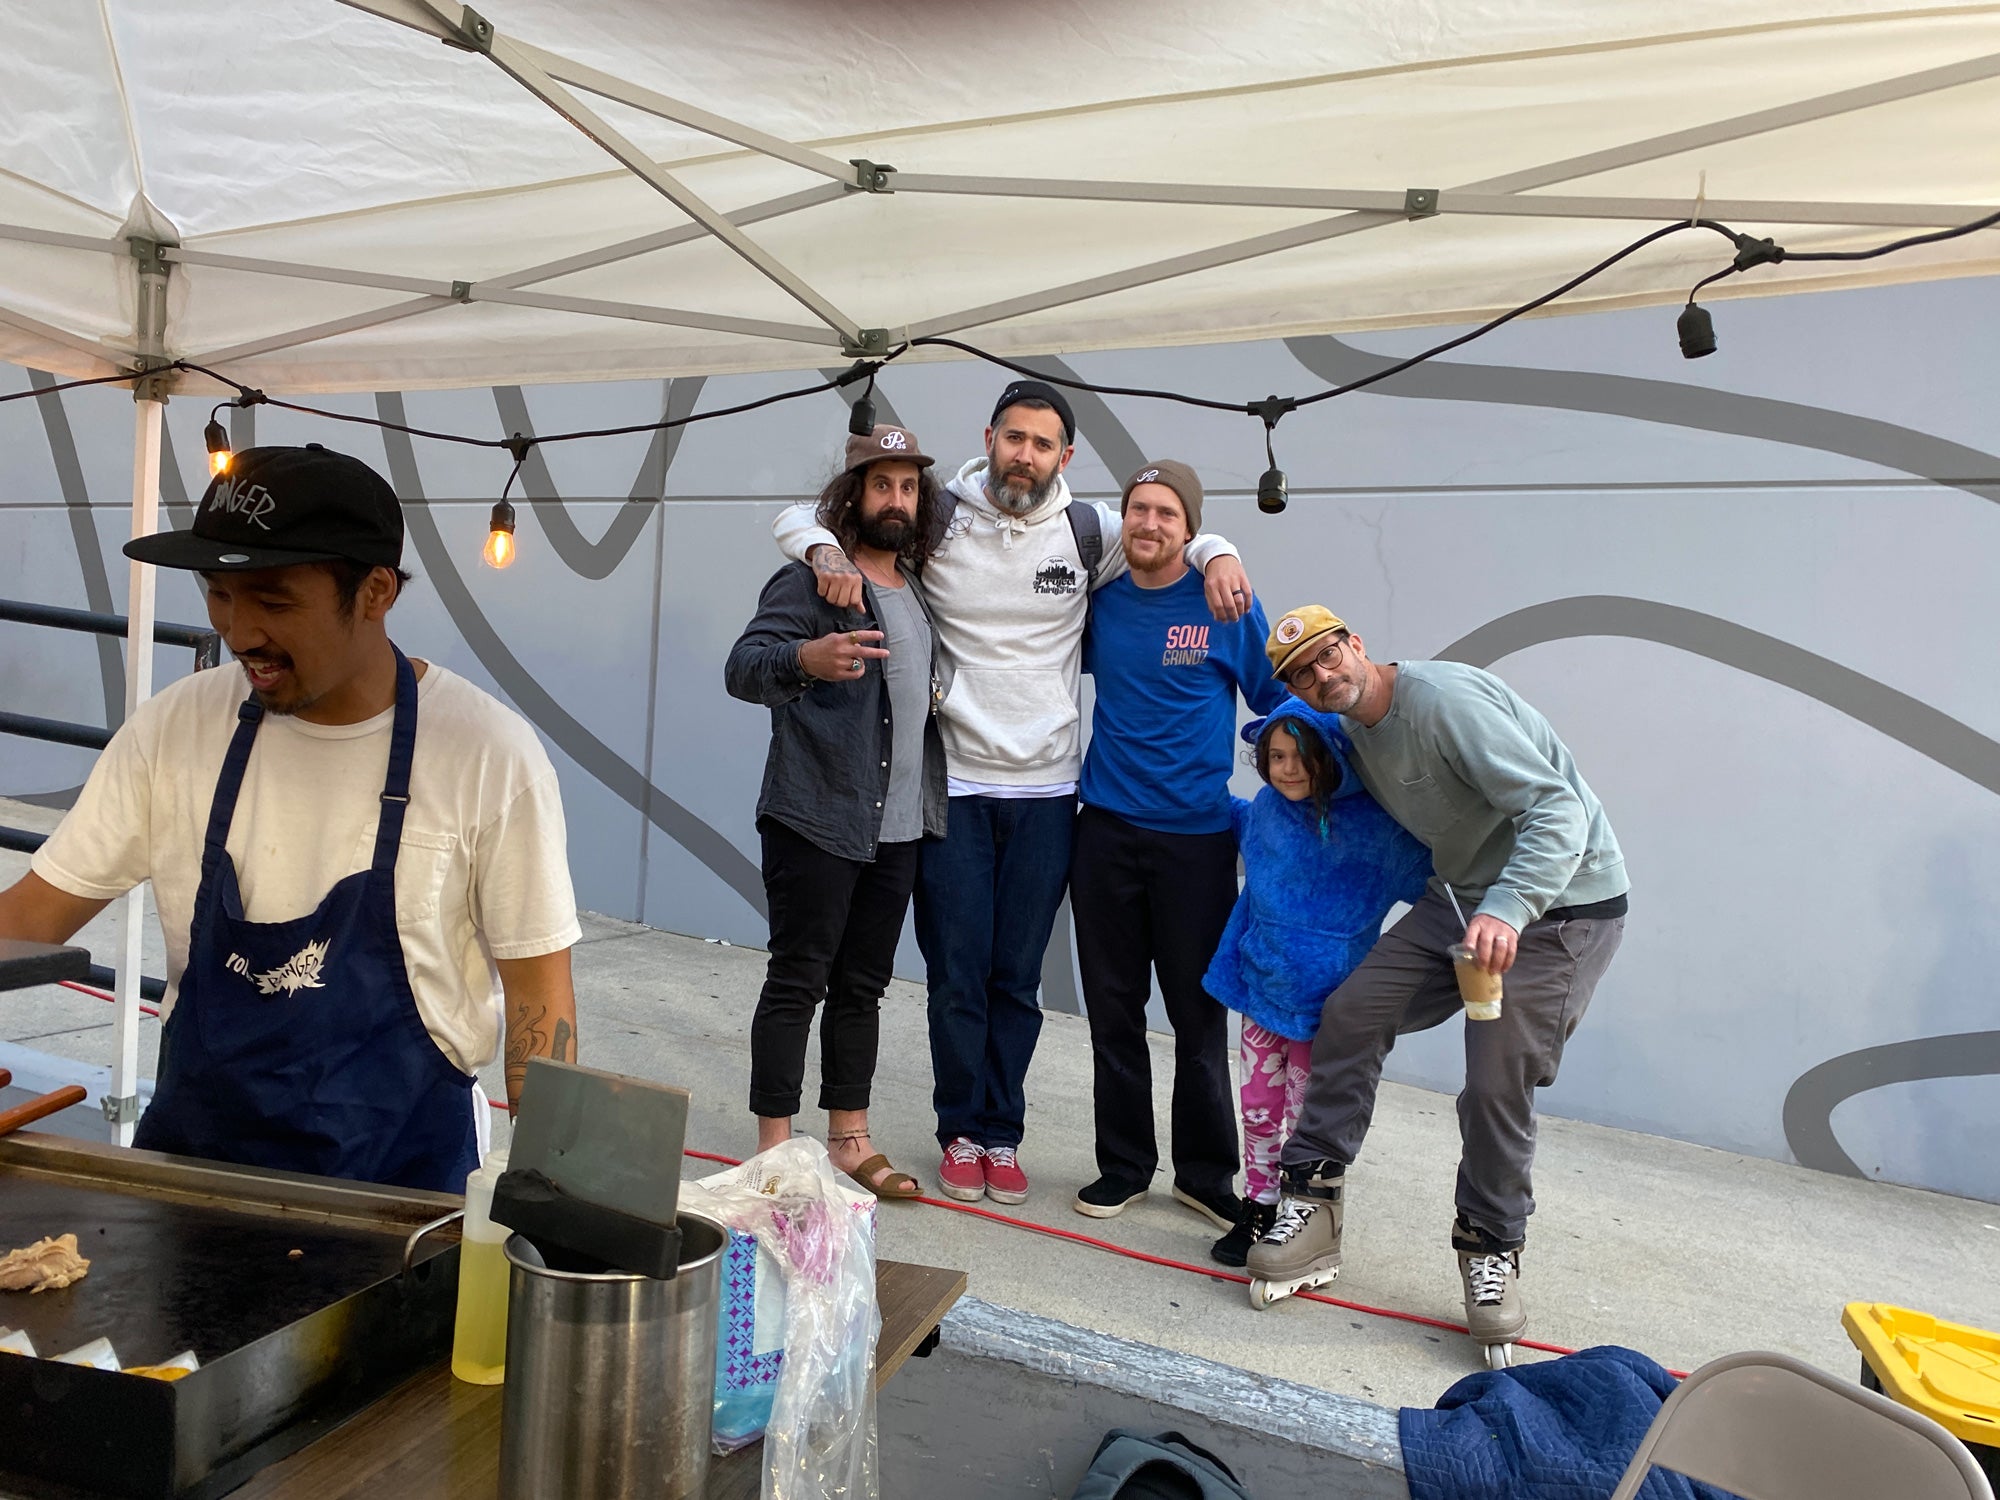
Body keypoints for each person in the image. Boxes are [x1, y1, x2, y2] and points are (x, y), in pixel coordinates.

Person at [0, 445, 580, 1192]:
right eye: (219, 595)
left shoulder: (485, 755)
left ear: (375, 593)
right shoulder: (175, 729)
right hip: (191, 1180)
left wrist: (550, 1192)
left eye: (273, 601)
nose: (239, 633)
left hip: (402, 1197)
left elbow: (539, 992)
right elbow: (31, 918)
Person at [774, 379, 1254, 1204]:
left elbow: (1166, 533)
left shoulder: (1089, 527)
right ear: (989, 437)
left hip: (1050, 795)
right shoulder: (937, 516)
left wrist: (1220, 550)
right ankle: (959, 1129)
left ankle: (1004, 1133)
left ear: (1064, 457)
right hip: (951, 786)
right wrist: (820, 552)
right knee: (958, 973)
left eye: (1042, 445)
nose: (1024, 456)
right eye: (1013, 439)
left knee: (1016, 979)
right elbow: (807, 519)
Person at [1245, 607, 1628, 1350]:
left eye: (1328, 657)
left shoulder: (1443, 702)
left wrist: (1512, 910)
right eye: (1302, 675)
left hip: (1560, 912)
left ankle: (1490, 1247)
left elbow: (1558, 808)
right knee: (1352, 1011)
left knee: (1495, 1078)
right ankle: (1313, 1203)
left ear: (1355, 644)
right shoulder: (1353, 732)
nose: (1323, 677)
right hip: (1460, 901)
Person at [725, 424, 948, 1199]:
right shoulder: (813, 581)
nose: (897, 498)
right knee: (797, 981)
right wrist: (804, 659)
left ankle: (850, 1140)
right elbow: (743, 669)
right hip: (816, 815)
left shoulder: (917, 586)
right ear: (853, 495)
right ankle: (776, 1153)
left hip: (899, 828)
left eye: (909, 486)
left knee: (864, 987)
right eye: (882, 484)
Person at [1068, 460, 1286, 1232]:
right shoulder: (1103, 605)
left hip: (1194, 842)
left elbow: (1277, 701)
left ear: (1189, 529)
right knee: (1113, 1012)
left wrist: (1284, 793)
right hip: (1103, 835)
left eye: (1166, 513)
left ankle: (1204, 1173)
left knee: (1198, 1021)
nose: (1149, 524)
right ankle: (1123, 1166)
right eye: (1138, 510)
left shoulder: (1226, 604)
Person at [1200, 699, 1431, 1265]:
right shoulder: (1266, 811)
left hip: (1329, 1009)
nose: (1288, 768)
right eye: (1275, 756)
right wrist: (1180, 789)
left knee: (1309, 1119)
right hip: (1264, 991)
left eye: (1304, 756)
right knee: (1256, 1108)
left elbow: (1431, 880)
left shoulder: (1379, 829)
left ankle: (1301, 1209)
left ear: (1337, 756)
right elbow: (1233, 815)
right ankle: (1258, 1203)